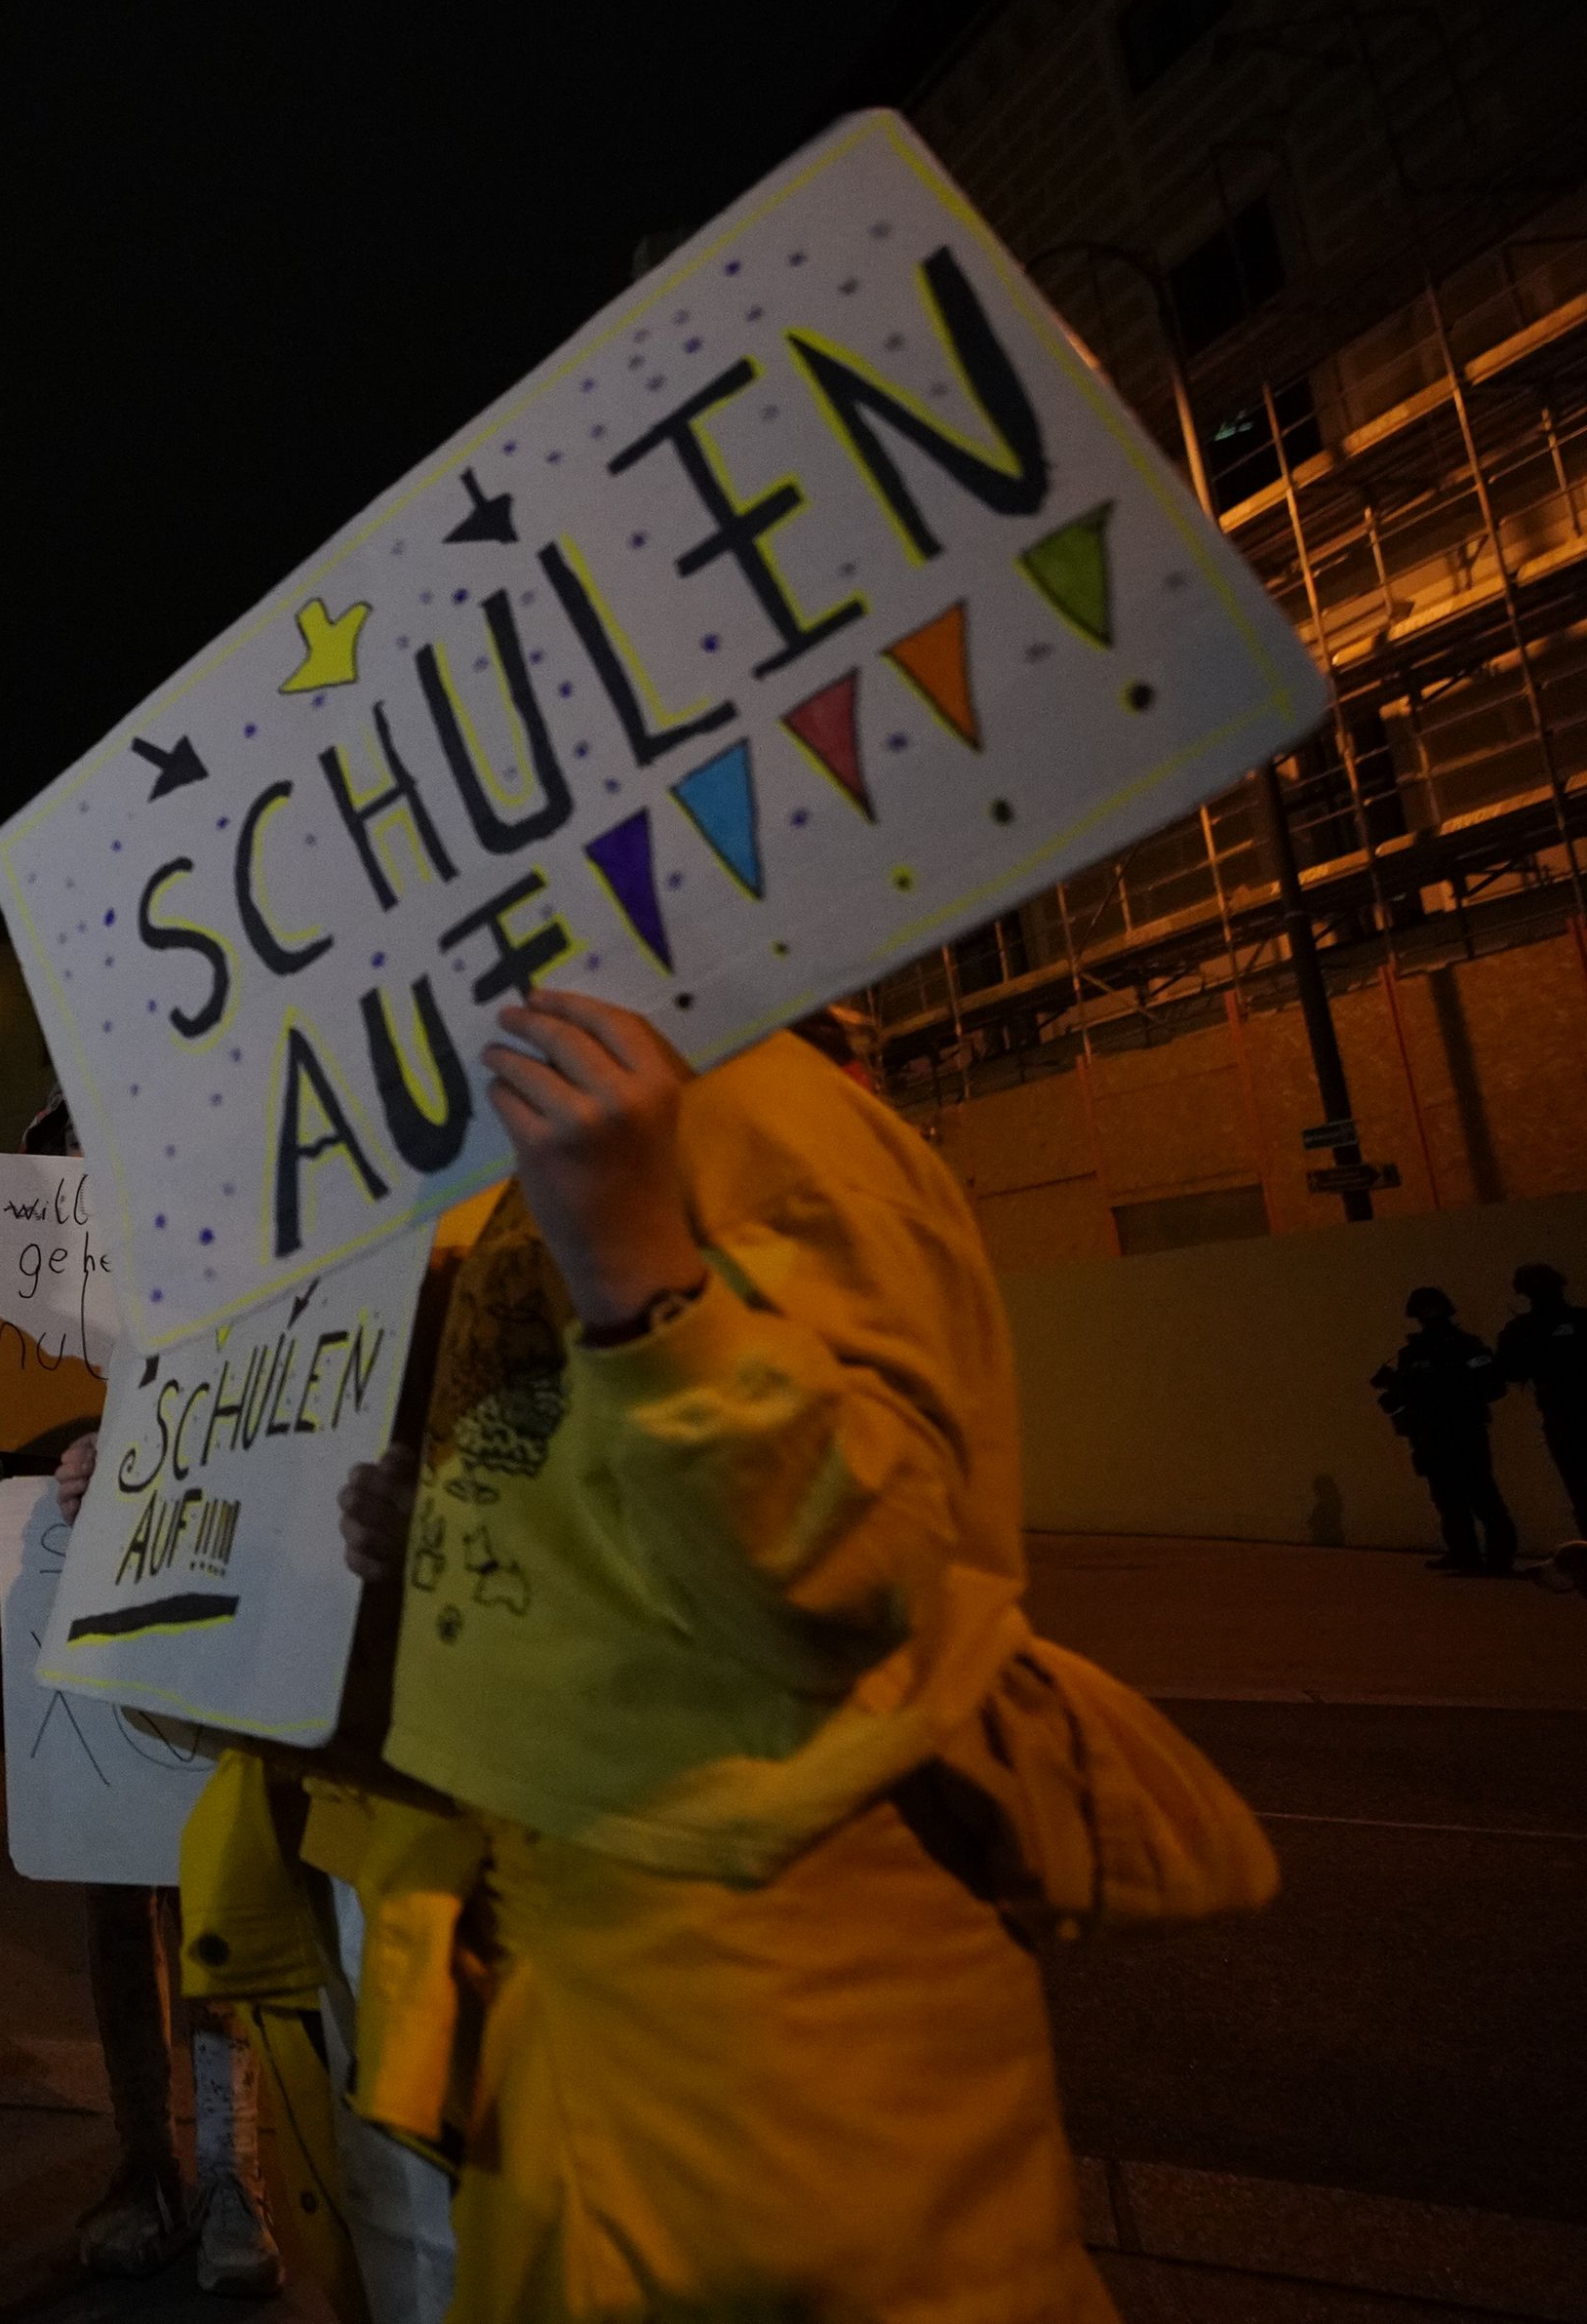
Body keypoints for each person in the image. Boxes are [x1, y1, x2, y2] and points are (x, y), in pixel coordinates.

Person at [317, 989, 1271, 2321]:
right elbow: (615, 1502)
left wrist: (637, 1250)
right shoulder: (537, 1148)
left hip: (764, 2027)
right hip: (590, 1994)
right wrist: (452, 1514)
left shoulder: (766, 1116)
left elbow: (847, 1567)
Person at [24, 1089, 291, 2303]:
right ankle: (148, 2164)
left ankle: (238, 2175)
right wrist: (73, 1455)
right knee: (113, 1918)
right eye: (63, 1151)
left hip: (219, 1622)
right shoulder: (57, 1286)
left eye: (92, 1141)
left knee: (218, 1907)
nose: (81, 1167)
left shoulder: (231, 1244)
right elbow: (24, 1438)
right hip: (101, 1646)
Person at [1376, 1285, 1517, 1575]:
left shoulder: (1466, 1346)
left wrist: (1441, 1391)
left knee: (1481, 1494)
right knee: (1447, 1498)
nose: (1429, 1317)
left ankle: (1498, 1559)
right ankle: (1464, 1553)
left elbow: (1492, 1386)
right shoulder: (1412, 1354)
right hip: (1430, 1434)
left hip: (1463, 1430)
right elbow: (1403, 1395)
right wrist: (1396, 1392)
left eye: (1433, 1310)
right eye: (1424, 1312)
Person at [1493, 1264, 1587, 1545]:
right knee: (1580, 1489)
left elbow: (1509, 1371)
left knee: (1580, 1489)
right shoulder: (1524, 1329)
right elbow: (1509, 1370)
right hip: (1561, 1416)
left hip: (1563, 1416)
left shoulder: (1526, 1328)